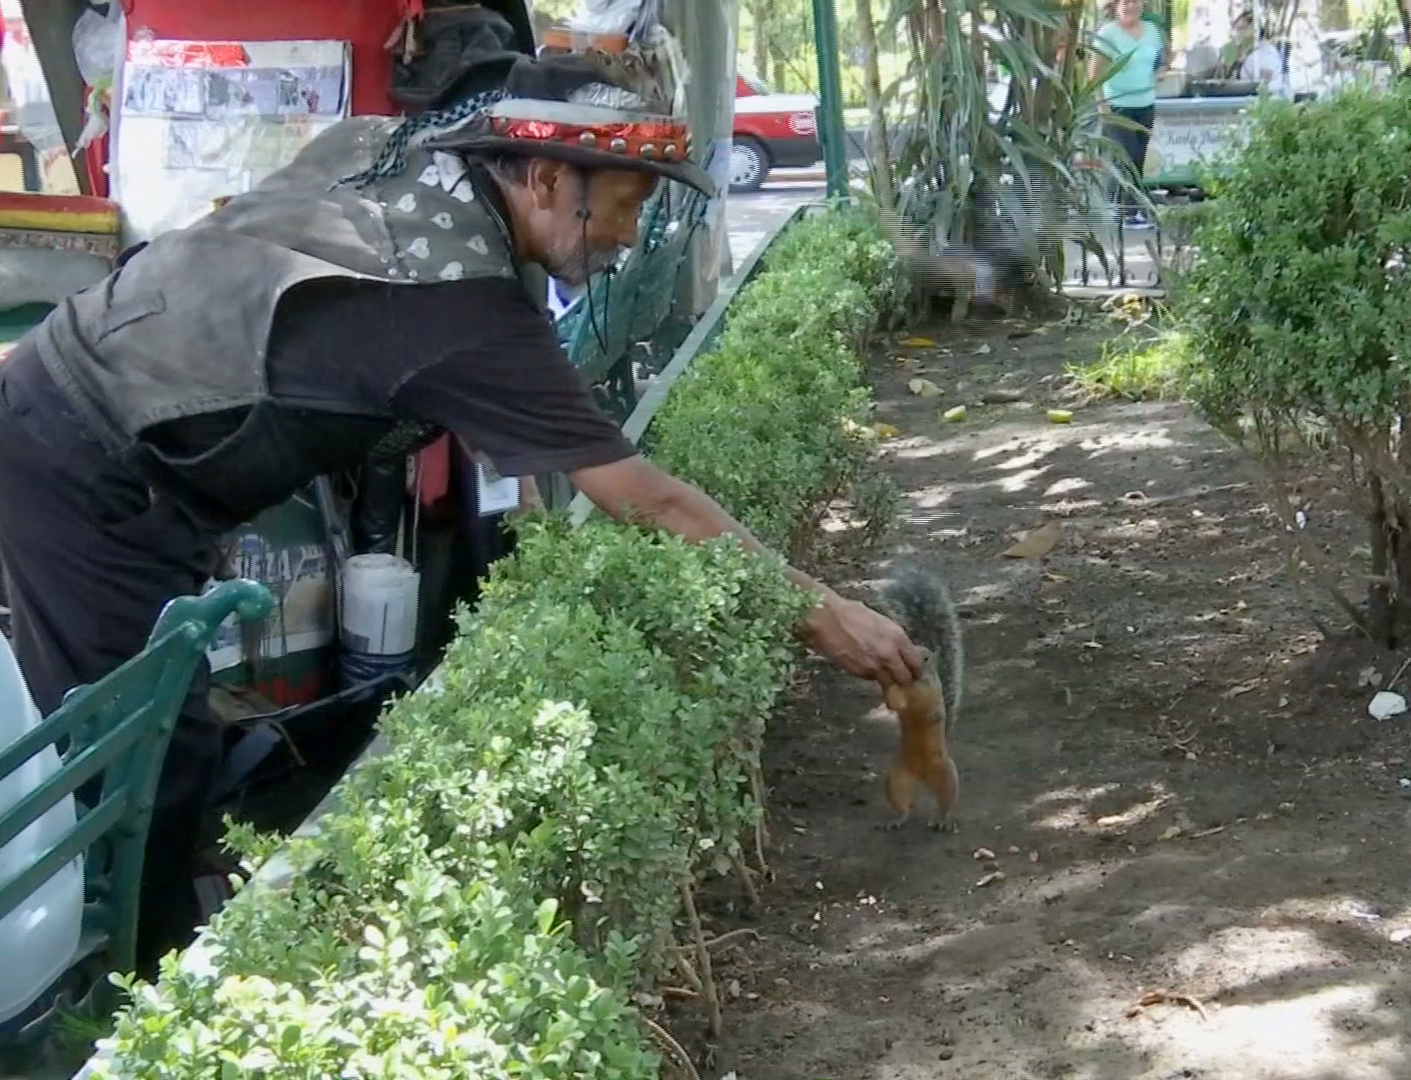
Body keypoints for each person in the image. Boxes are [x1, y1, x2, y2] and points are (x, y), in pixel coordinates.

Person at [0, 48, 923, 977]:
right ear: (547, 179)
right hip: (81, 463)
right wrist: (820, 610)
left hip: (99, 411)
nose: (627, 236)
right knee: (144, 768)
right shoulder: (457, 306)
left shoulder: (399, 155)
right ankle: (130, 999)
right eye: (623, 205)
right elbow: (642, 495)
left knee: (163, 739)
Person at [1091, 0, 1165, 229]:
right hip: (1116, 106)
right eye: (1125, 2)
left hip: (1145, 105)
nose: (1130, 6)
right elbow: (1094, 75)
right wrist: (1102, 107)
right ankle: (1126, 211)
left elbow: (1160, 61)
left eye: (1135, 1)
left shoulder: (1152, 31)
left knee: (1138, 158)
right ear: (1115, 5)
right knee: (1126, 157)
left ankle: (1126, 208)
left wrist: (1158, 74)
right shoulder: (1107, 34)